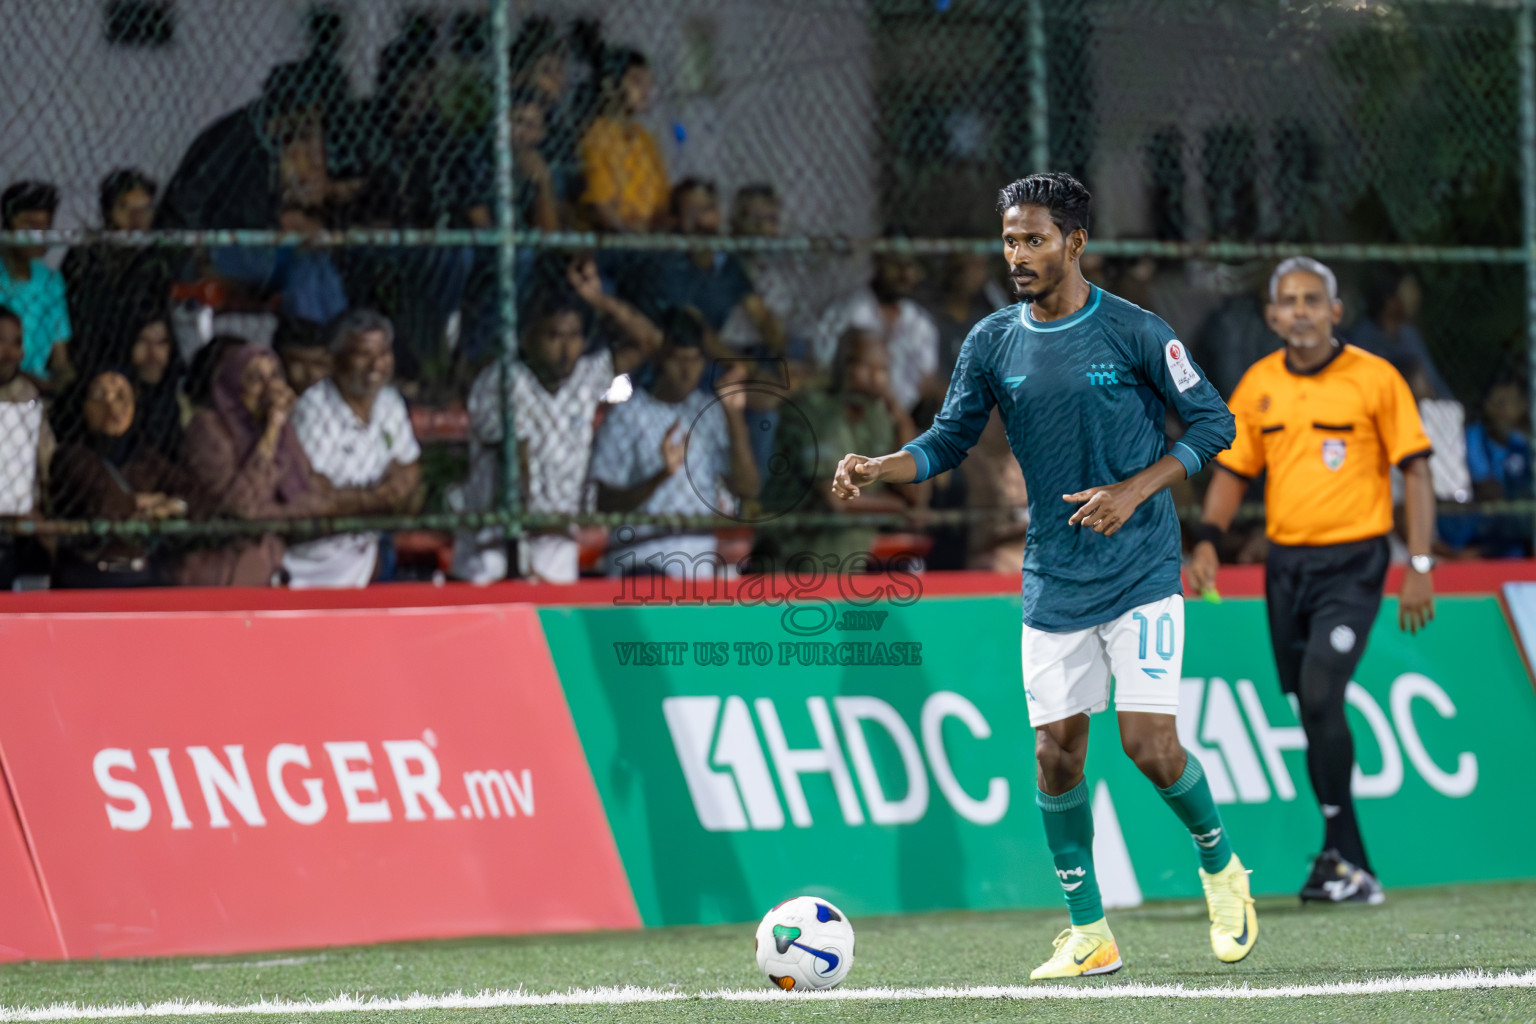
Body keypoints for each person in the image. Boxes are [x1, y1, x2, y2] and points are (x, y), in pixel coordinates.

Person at [831, 173, 1252, 978]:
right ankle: (1090, 931)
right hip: (1054, 581)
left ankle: (1221, 864)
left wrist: (1136, 489)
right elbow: (950, 439)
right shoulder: (992, 341)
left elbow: (1214, 421)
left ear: (1075, 243)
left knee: (1149, 747)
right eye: (1009, 240)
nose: (1016, 254)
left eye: (1033, 239)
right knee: (1057, 754)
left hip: (1141, 571)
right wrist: (883, 466)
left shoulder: (1135, 330)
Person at [1189, 256, 1437, 906]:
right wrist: (1209, 541)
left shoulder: (1375, 379)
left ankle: (1346, 859)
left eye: (1311, 299)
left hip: (1354, 563)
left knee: (1323, 690)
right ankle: (1344, 859)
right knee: (1311, 706)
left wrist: (1419, 564)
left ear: (1335, 312)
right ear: (1271, 316)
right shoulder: (1258, 386)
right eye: (1287, 301)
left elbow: (1415, 470)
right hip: (1287, 569)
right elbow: (1233, 473)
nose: (1299, 310)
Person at [451, 258, 662, 584]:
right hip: (494, 548)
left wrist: (598, 298)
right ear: (527, 338)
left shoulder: (585, 375)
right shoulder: (502, 381)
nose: (566, 349)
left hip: (559, 545)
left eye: (574, 336)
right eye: (553, 336)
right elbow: (514, 477)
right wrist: (522, 566)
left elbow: (649, 341)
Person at [182, 345, 375, 587]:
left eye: (274, 376)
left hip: (270, 560)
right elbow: (244, 508)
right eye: (255, 379)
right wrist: (271, 431)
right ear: (234, 386)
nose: (270, 388)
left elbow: (308, 489)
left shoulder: (283, 430)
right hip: (219, 567)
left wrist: (356, 501)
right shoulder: (208, 429)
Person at [590, 308, 761, 576]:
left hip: (697, 566)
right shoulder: (629, 414)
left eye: (694, 361)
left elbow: (747, 487)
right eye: (677, 360)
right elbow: (604, 502)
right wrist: (660, 476)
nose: (686, 371)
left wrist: (733, 414)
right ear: (659, 360)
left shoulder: (711, 412)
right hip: (640, 561)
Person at [756, 328, 922, 565]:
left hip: (844, 561)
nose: (876, 379)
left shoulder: (877, 415)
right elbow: (838, 498)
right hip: (789, 559)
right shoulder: (814, 409)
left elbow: (912, 492)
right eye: (865, 368)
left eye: (883, 370)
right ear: (842, 367)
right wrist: (898, 508)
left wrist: (903, 420)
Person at [285, 309, 422, 588]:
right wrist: (380, 498)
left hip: (368, 549)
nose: (375, 366)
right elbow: (311, 496)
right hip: (313, 565)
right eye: (362, 354)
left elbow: (409, 470)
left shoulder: (389, 401)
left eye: (383, 353)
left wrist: (360, 498)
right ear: (335, 360)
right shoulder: (314, 409)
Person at [48, 369, 203, 588]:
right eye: (99, 397)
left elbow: (199, 497)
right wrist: (158, 503)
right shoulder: (70, 457)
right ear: (82, 404)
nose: (112, 408)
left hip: (140, 576)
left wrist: (173, 505)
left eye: (121, 397)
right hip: (86, 577)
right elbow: (109, 507)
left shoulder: (145, 456)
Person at [61, 169, 174, 378]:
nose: (136, 219)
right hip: (85, 362)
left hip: (136, 365)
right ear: (107, 211)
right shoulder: (85, 257)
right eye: (125, 207)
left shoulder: (154, 263)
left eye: (145, 209)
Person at [812, 245, 940, 414]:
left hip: (907, 415)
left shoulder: (920, 322)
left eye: (909, 267)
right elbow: (822, 365)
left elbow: (927, 381)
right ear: (878, 262)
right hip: (850, 409)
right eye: (895, 265)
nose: (903, 274)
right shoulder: (848, 311)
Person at [577, 47, 669, 233]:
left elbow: (663, 199)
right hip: (617, 237)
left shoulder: (644, 138)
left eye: (649, 83)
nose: (646, 91)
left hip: (650, 231)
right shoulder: (598, 135)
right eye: (636, 81)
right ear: (611, 85)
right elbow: (603, 206)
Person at [0, 307, 55, 588]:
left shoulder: (27, 394)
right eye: (1, 340)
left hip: (24, 513)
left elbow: (47, 458)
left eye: (16, 342)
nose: (8, 352)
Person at [0, 182, 71, 384]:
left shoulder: (51, 281)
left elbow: (60, 358)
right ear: (7, 227)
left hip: (36, 389)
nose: (38, 237)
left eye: (44, 228)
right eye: (29, 226)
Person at [1346, 266, 1452, 401]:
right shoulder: (1363, 338)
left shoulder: (1409, 335)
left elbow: (1435, 384)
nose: (1416, 297)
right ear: (1389, 301)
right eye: (1408, 291)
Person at [1462, 377, 1534, 557]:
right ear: (1486, 406)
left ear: (1523, 407)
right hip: (1484, 524)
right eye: (1498, 403)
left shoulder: (1524, 441)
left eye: (1511, 403)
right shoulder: (1474, 437)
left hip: (1520, 524)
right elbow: (1488, 488)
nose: (1504, 411)